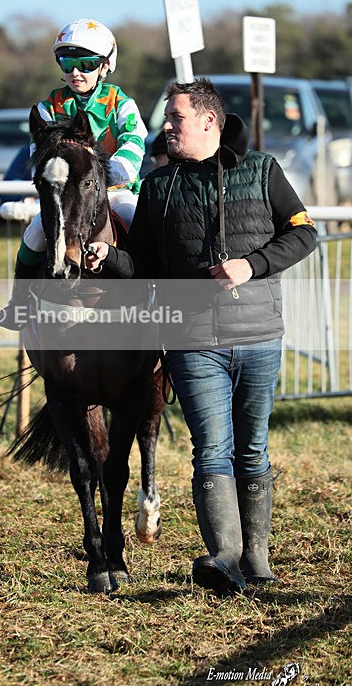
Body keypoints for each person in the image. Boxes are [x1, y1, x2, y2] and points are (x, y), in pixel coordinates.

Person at [85, 77, 317, 596]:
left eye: (176, 118)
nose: (166, 127)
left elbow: (304, 233)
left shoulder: (263, 171)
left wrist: (252, 266)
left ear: (209, 122)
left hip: (258, 335)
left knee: (251, 450)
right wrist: (111, 259)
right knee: (211, 449)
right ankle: (225, 559)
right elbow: (142, 261)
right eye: (167, 118)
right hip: (191, 341)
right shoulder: (159, 187)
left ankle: (257, 561)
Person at [0, 17, 148, 329]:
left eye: (85, 63)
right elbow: (38, 156)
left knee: (142, 227)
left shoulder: (123, 104)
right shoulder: (47, 108)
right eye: (67, 62)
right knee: (35, 235)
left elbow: (133, 146)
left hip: (115, 193)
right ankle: (18, 304)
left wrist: (106, 175)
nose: (75, 72)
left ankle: (156, 300)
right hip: (65, 197)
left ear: (105, 66)